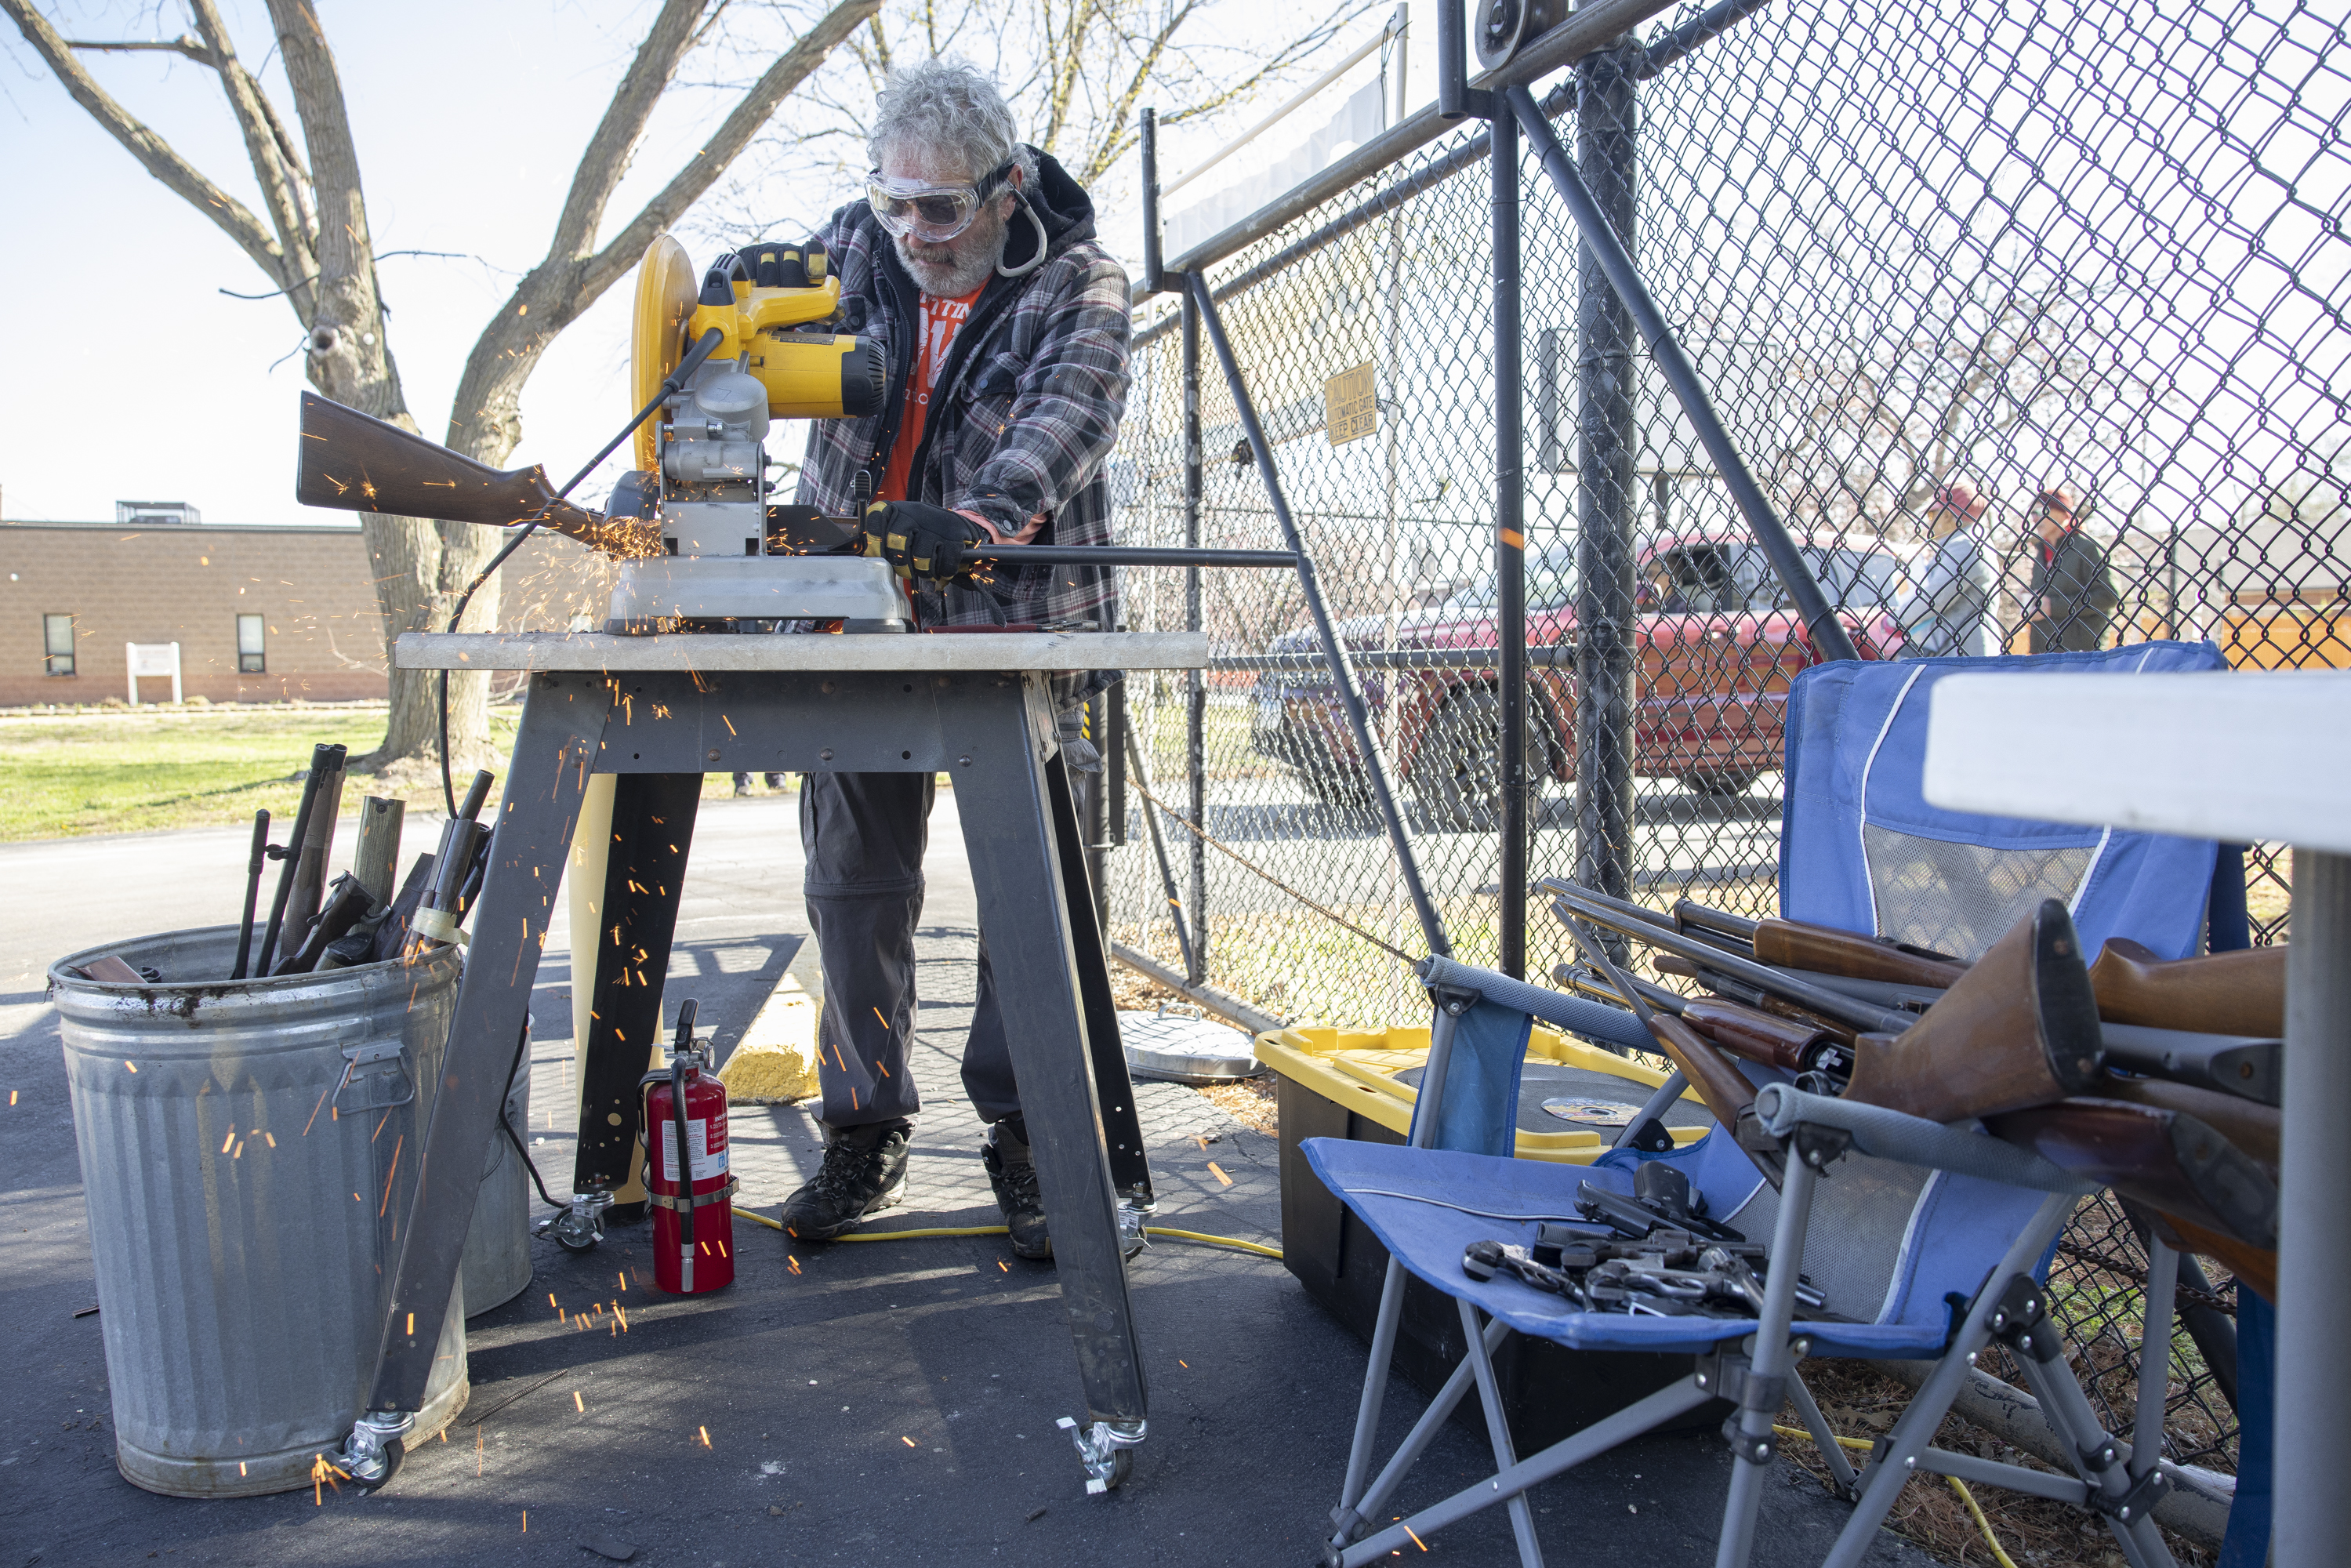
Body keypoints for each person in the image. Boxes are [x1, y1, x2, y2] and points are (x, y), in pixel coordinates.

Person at [771, 60, 1130, 1259]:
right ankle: (864, 1131)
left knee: (1031, 900)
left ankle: (1030, 1140)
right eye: (892, 204)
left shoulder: (1075, 279)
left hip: (1016, 620)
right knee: (852, 887)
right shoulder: (848, 251)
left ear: (1006, 185)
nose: (913, 234)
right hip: (855, 621)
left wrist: (974, 524)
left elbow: (1065, 421)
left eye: (939, 208)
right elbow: (759, 346)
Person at [1894, 480, 1996, 658]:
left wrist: (1892, 620)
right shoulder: (1965, 542)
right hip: (1961, 649)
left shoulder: (1964, 545)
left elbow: (1934, 598)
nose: (1929, 522)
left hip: (1964, 652)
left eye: (1932, 515)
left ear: (1948, 515)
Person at [2025, 485, 2118, 652]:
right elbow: (2044, 596)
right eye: (2032, 514)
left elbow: (2108, 596)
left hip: (2078, 655)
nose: (2034, 519)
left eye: (2039, 512)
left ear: (2062, 512)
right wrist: (2028, 596)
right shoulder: (2041, 551)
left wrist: (2054, 607)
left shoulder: (2088, 548)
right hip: (2042, 652)